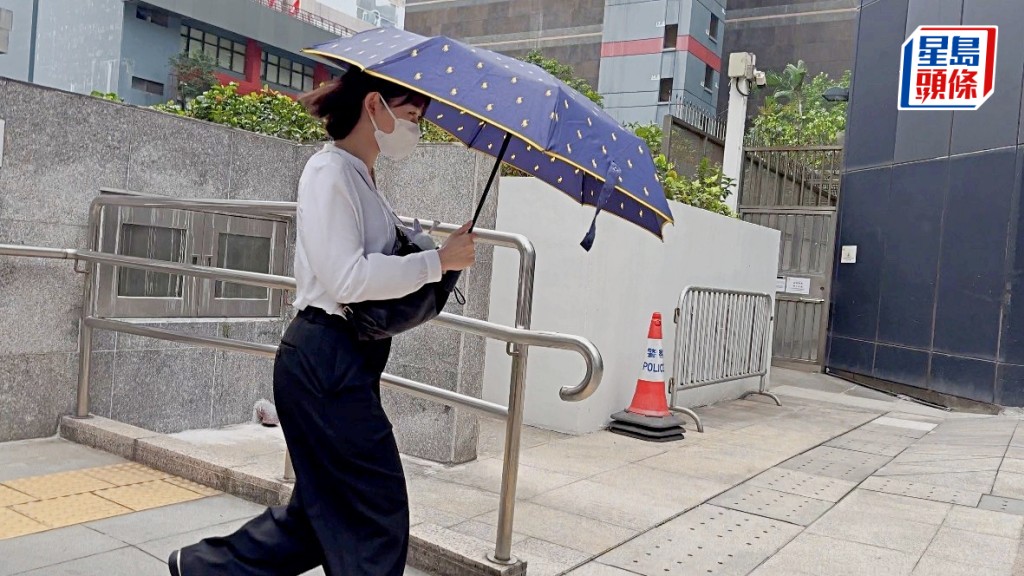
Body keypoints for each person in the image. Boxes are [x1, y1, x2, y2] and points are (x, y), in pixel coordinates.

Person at [168, 69, 478, 576]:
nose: (415, 130)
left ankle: (202, 568)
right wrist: (437, 262)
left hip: (342, 360)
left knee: (320, 516)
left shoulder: (360, 176)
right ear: (374, 105)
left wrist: (437, 254)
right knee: (376, 510)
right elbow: (347, 278)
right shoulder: (329, 172)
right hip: (324, 359)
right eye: (411, 116)